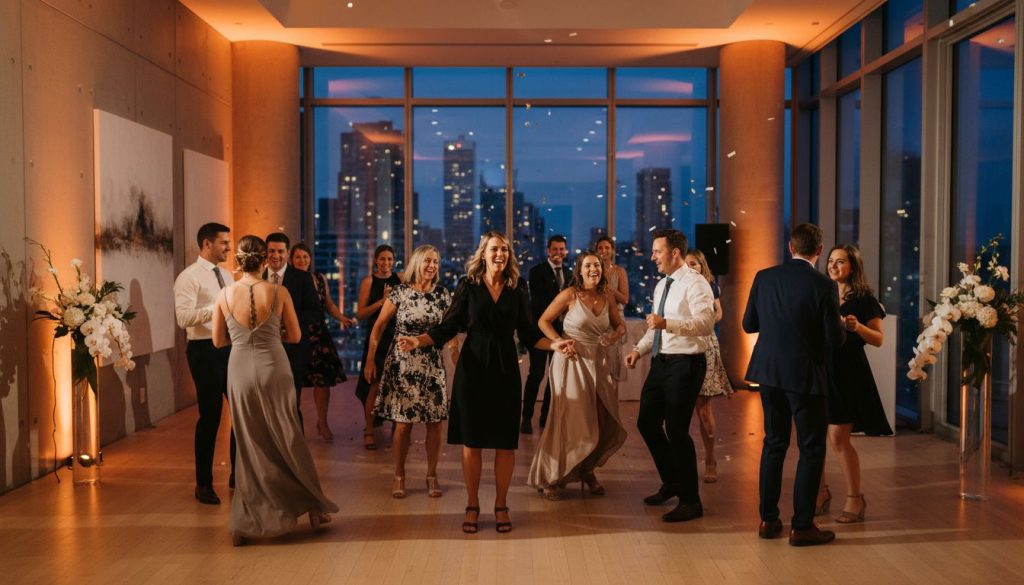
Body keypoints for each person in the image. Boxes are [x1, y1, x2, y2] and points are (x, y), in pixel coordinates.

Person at [394, 232, 573, 535]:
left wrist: (555, 344)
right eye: (494, 249)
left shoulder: (518, 288)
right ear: (484, 254)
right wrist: (418, 340)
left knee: (505, 442)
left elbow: (529, 333)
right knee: (472, 441)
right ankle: (473, 504)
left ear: (508, 255)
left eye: (504, 249)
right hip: (473, 368)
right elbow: (448, 325)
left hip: (504, 369)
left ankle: (501, 504)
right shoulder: (469, 286)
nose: (500, 254)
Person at [211, 235, 338, 546]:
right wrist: (272, 332)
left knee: (249, 442)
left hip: (240, 369)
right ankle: (311, 506)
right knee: (287, 435)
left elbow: (217, 342)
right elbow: (294, 336)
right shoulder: (279, 292)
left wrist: (241, 336)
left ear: (238, 262)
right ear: (264, 260)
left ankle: (244, 523)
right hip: (274, 367)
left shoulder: (224, 295)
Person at [742, 223, 845, 547]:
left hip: (769, 374)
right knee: (811, 449)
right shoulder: (824, 285)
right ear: (818, 250)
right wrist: (841, 324)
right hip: (805, 377)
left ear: (790, 247)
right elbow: (834, 339)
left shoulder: (764, 277)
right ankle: (801, 526)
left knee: (774, 444)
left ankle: (768, 519)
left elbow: (748, 325)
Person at [624, 229, 715, 523]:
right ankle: (672, 481)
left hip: (687, 364)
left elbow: (705, 323)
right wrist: (638, 350)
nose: (652, 257)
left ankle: (691, 501)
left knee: (676, 430)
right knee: (646, 422)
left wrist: (668, 323)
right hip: (662, 362)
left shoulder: (697, 283)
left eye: (657, 251)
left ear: (674, 252)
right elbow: (656, 326)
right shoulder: (662, 285)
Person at [528, 250, 627, 500]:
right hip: (571, 361)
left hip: (599, 362)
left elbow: (620, 326)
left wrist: (613, 336)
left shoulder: (606, 296)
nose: (594, 269)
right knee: (570, 419)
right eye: (589, 266)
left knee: (602, 417)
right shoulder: (570, 295)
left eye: (597, 266)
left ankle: (586, 469)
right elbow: (543, 321)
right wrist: (560, 341)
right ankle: (553, 476)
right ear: (580, 270)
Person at [365, 245, 454, 499]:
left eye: (436, 262)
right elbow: (378, 327)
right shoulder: (400, 293)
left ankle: (431, 474)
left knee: (435, 423)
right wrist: (371, 360)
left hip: (432, 364)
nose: (432, 266)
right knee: (402, 425)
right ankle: (399, 474)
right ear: (417, 263)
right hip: (402, 365)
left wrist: (456, 351)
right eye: (427, 261)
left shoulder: (443, 295)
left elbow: (450, 331)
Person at [821, 244, 891, 523]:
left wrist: (857, 327)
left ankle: (855, 498)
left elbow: (878, 339)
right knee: (813, 436)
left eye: (840, 262)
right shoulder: (823, 293)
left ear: (853, 267)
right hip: (820, 370)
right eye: (831, 261)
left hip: (848, 373)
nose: (834, 266)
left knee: (838, 439)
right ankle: (820, 493)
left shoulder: (864, 299)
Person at [173, 222, 236, 505]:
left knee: (241, 413)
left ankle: (239, 476)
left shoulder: (228, 275)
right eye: (224, 242)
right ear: (207, 244)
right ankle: (204, 484)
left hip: (231, 348)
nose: (229, 247)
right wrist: (218, 307)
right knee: (210, 417)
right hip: (203, 349)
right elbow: (183, 318)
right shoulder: (188, 277)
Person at [289, 243, 357, 442]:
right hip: (295, 334)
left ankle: (322, 422)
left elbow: (328, 303)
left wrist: (341, 318)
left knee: (323, 381)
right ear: (291, 260)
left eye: (305, 257)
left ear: (310, 259)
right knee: (295, 382)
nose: (302, 260)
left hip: (318, 334)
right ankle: (294, 425)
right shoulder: (287, 280)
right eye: (298, 257)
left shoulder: (318, 279)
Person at [684, 249, 734, 484]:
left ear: (702, 266)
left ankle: (710, 458)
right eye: (687, 264)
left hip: (705, 345)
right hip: (682, 347)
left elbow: (720, 313)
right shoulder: (679, 286)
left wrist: (702, 322)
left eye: (694, 264)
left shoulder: (709, 286)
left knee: (704, 408)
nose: (690, 267)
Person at [264, 232, 322, 424]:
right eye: (271, 251)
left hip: (293, 350)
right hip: (263, 351)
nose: (275, 255)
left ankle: (294, 449)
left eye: (280, 251)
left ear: (287, 254)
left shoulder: (302, 278)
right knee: (265, 404)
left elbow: (315, 312)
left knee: (291, 404)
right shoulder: (258, 276)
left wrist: (286, 320)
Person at [521, 234, 571, 434]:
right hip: (540, 332)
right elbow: (540, 302)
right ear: (548, 251)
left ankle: (545, 415)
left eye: (561, 249)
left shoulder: (570, 274)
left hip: (561, 333)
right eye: (555, 249)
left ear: (565, 251)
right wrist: (561, 306)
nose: (558, 253)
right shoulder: (536, 271)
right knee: (536, 374)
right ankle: (526, 417)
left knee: (554, 377)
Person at [354, 245, 403, 450]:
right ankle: (368, 430)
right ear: (375, 261)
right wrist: (382, 302)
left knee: (396, 385)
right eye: (382, 259)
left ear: (394, 261)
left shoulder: (400, 280)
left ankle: (397, 428)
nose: (386, 263)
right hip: (376, 337)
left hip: (396, 336)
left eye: (389, 259)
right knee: (373, 383)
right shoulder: (369, 282)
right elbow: (360, 314)